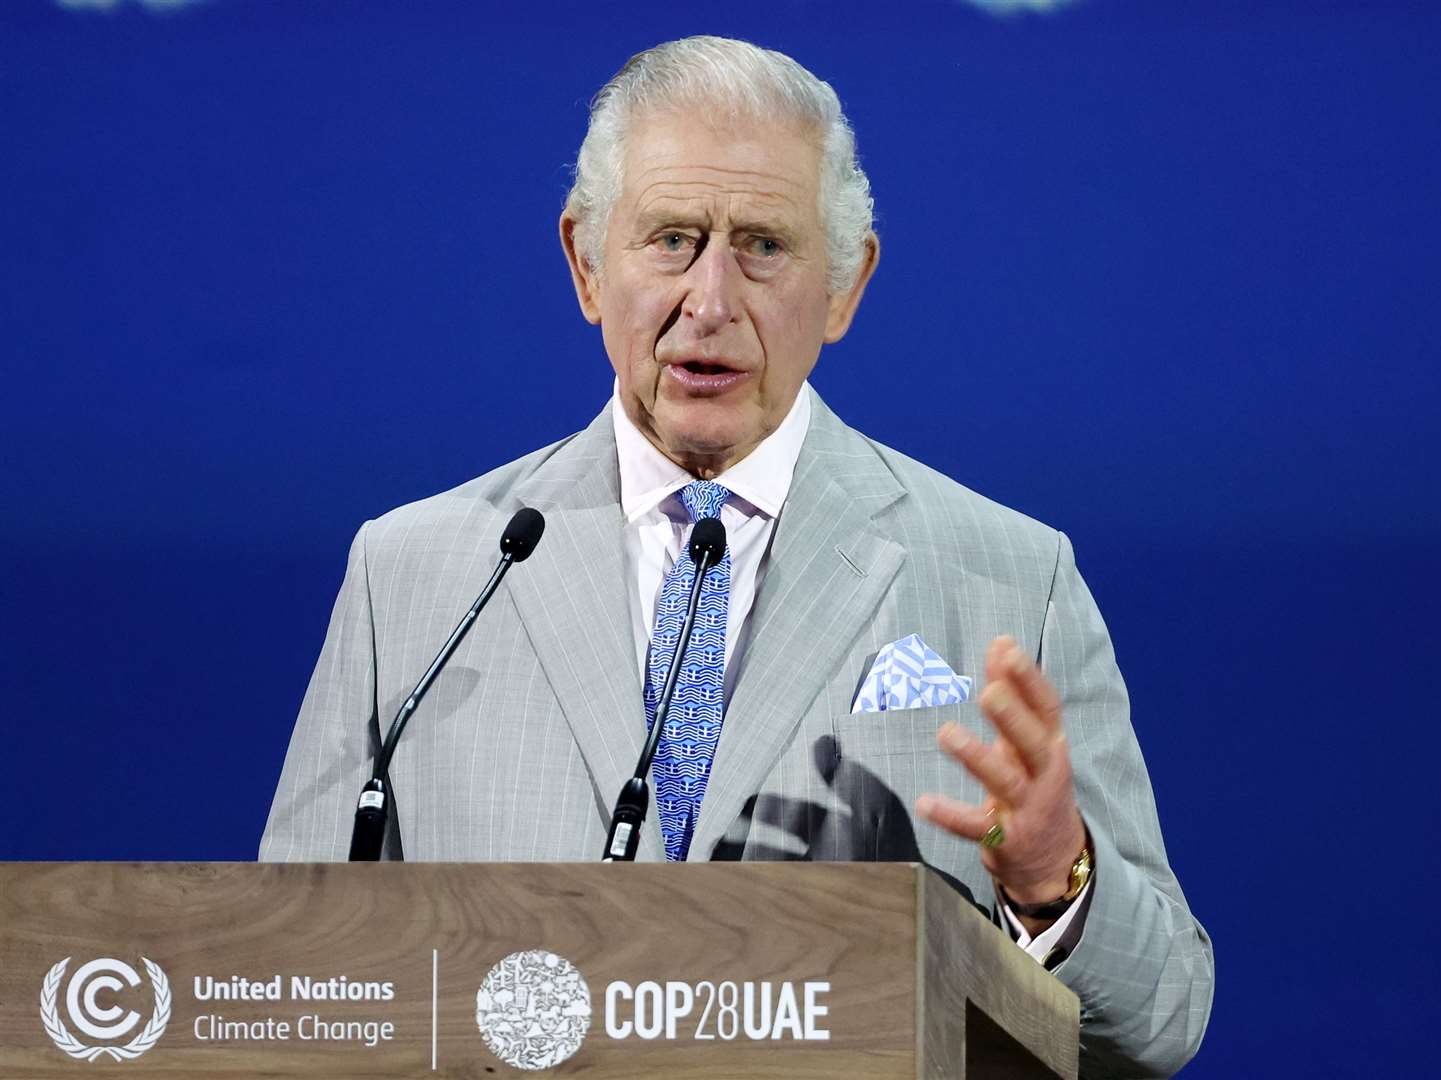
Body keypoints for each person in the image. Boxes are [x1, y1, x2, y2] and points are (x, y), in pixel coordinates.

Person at [262, 35, 1212, 1075]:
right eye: (671, 238)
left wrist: (1053, 883)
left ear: (845, 287)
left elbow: (1162, 1020)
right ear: (585, 264)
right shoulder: (420, 576)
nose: (710, 301)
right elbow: (286, 983)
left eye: (763, 246)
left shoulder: (1008, 581)